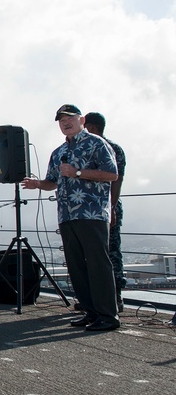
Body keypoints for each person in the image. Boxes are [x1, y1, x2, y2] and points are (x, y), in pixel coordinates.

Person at [22, 104, 119, 331]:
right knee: (76, 266)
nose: (65, 123)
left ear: (81, 120)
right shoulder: (58, 152)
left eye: (70, 118)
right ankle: (91, 313)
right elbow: (52, 182)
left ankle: (108, 316)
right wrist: (38, 184)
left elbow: (111, 174)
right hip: (67, 216)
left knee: (97, 264)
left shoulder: (97, 144)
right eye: (61, 120)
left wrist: (77, 172)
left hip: (91, 213)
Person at [83, 112, 126, 314]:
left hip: (106, 208)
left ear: (92, 127)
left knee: (111, 254)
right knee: (92, 255)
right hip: (88, 210)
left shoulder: (112, 149)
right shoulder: (85, 148)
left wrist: (112, 207)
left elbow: (116, 180)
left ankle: (115, 299)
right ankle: (95, 300)